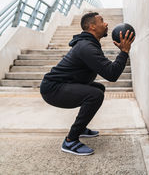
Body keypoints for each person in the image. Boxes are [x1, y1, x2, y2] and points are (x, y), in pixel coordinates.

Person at [40, 12, 135, 156]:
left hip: (59, 85)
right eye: (102, 21)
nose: (106, 24)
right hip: (52, 89)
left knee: (98, 88)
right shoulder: (87, 47)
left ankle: (80, 128)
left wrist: (122, 52)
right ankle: (70, 141)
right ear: (92, 27)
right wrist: (124, 52)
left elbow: (108, 71)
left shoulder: (90, 44)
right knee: (95, 95)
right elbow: (112, 74)